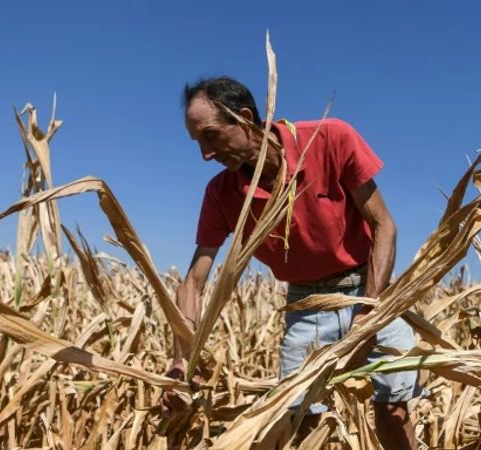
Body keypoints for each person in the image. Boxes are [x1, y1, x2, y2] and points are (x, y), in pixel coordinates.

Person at [162, 76, 420, 449]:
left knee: (393, 413)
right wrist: (180, 362)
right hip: (307, 307)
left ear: (245, 118)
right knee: (300, 425)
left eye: (210, 135)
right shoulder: (221, 194)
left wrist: (368, 317)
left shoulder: (331, 138)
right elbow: (194, 282)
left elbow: (384, 226)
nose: (205, 154)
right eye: (198, 142)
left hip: (369, 292)